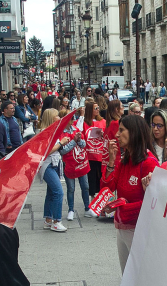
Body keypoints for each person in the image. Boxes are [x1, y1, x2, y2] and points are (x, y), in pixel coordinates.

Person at [100, 114, 159, 272]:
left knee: (139, 278)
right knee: (126, 277)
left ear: (134, 132)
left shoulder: (149, 163)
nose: (117, 135)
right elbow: (108, 188)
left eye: (121, 130)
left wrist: (120, 208)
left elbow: (153, 203)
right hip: (122, 228)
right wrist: (111, 161)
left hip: (139, 230)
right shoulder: (125, 159)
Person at [38, 108, 68, 231]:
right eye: (56, 115)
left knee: (51, 192)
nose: (58, 117)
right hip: (47, 165)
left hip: (54, 164)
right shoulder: (44, 132)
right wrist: (61, 143)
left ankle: (48, 219)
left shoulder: (52, 130)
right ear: (51, 117)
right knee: (58, 192)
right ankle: (56, 221)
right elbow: (45, 151)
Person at [60, 116, 91, 222]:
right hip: (69, 165)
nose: (73, 120)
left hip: (81, 163)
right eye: (70, 118)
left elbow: (84, 145)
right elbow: (63, 151)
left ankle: (87, 208)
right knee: (71, 188)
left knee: (85, 186)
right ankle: (71, 210)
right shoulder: (61, 133)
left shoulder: (76, 129)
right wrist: (74, 141)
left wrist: (79, 140)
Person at [83, 100, 108, 209]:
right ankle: (92, 196)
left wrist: (103, 135)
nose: (98, 110)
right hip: (89, 153)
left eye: (98, 108)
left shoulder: (103, 121)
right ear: (90, 110)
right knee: (91, 175)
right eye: (95, 108)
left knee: (100, 175)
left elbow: (107, 135)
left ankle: (100, 195)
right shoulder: (84, 122)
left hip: (101, 152)